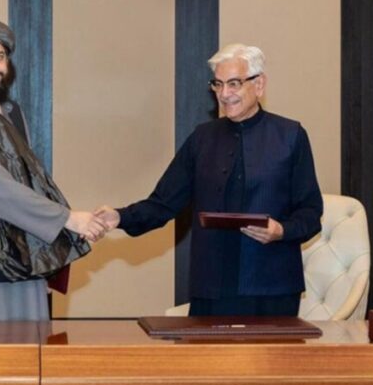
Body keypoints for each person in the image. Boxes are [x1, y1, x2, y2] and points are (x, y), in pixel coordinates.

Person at [96, 44, 322, 317]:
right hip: (211, 287)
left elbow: (310, 214)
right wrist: (119, 217)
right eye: (218, 84)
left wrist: (281, 231)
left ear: (259, 84)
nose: (225, 94)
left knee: (268, 361)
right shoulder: (202, 138)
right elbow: (163, 203)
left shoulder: (290, 136)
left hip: (272, 287)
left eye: (235, 84)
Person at [0, 16, 104, 321]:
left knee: (32, 362)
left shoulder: (12, 113)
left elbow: (30, 182)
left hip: (26, 268)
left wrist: (49, 252)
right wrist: (67, 219)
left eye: (0, 57)